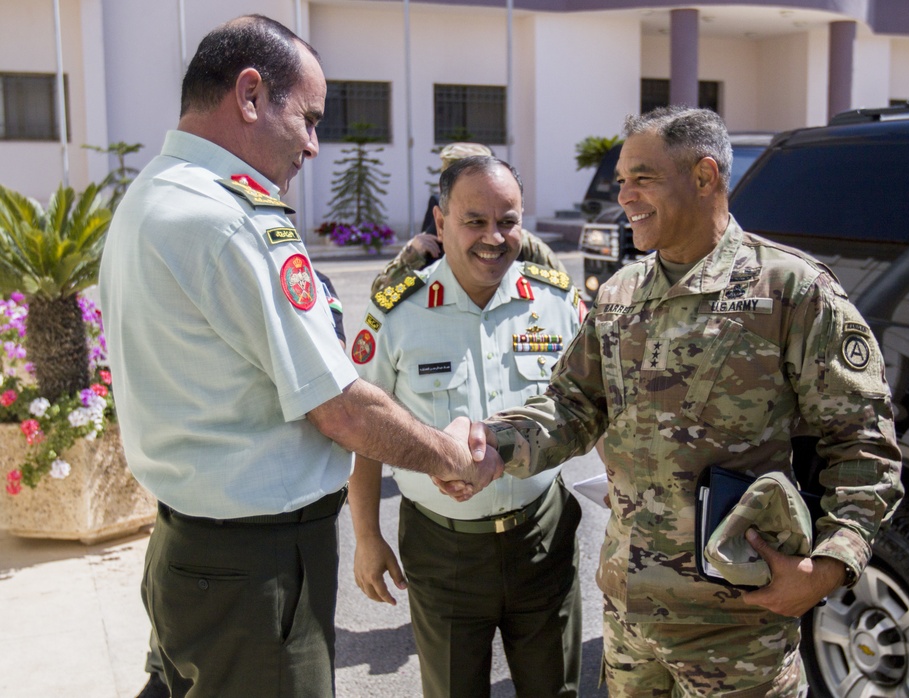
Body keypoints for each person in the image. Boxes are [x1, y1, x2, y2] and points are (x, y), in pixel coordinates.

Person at [99, 15, 500, 698]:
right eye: (309, 119)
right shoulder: (232, 221)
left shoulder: (153, 195)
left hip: (191, 551)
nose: (314, 145)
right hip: (255, 570)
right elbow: (340, 409)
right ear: (250, 95)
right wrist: (449, 456)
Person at [453, 106, 904, 696]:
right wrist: (493, 444)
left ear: (704, 175)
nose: (624, 196)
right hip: (630, 619)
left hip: (738, 627)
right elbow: (572, 406)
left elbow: (864, 446)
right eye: (620, 181)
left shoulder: (790, 290)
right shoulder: (619, 293)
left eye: (642, 178)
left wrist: (827, 568)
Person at [347, 155, 588, 697]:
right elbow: (363, 432)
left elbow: (599, 406)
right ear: (440, 222)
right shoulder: (398, 313)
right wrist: (366, 536)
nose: (493, 237)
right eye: (474, 220)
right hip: (443, 549)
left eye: (507, 220)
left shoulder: (556, 304)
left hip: (541, 539)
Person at [135, 269, 349, 698]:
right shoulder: (242, 274)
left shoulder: (309, 280)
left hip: (185, 533)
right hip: (248, 547)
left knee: (174, 675)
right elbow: (335, 404)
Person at [369, 142, 567, 294]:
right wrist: (413, 254)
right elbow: (381, 295)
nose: (492, 236)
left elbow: (564, 290)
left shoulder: (522, 242)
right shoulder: (427, 240)